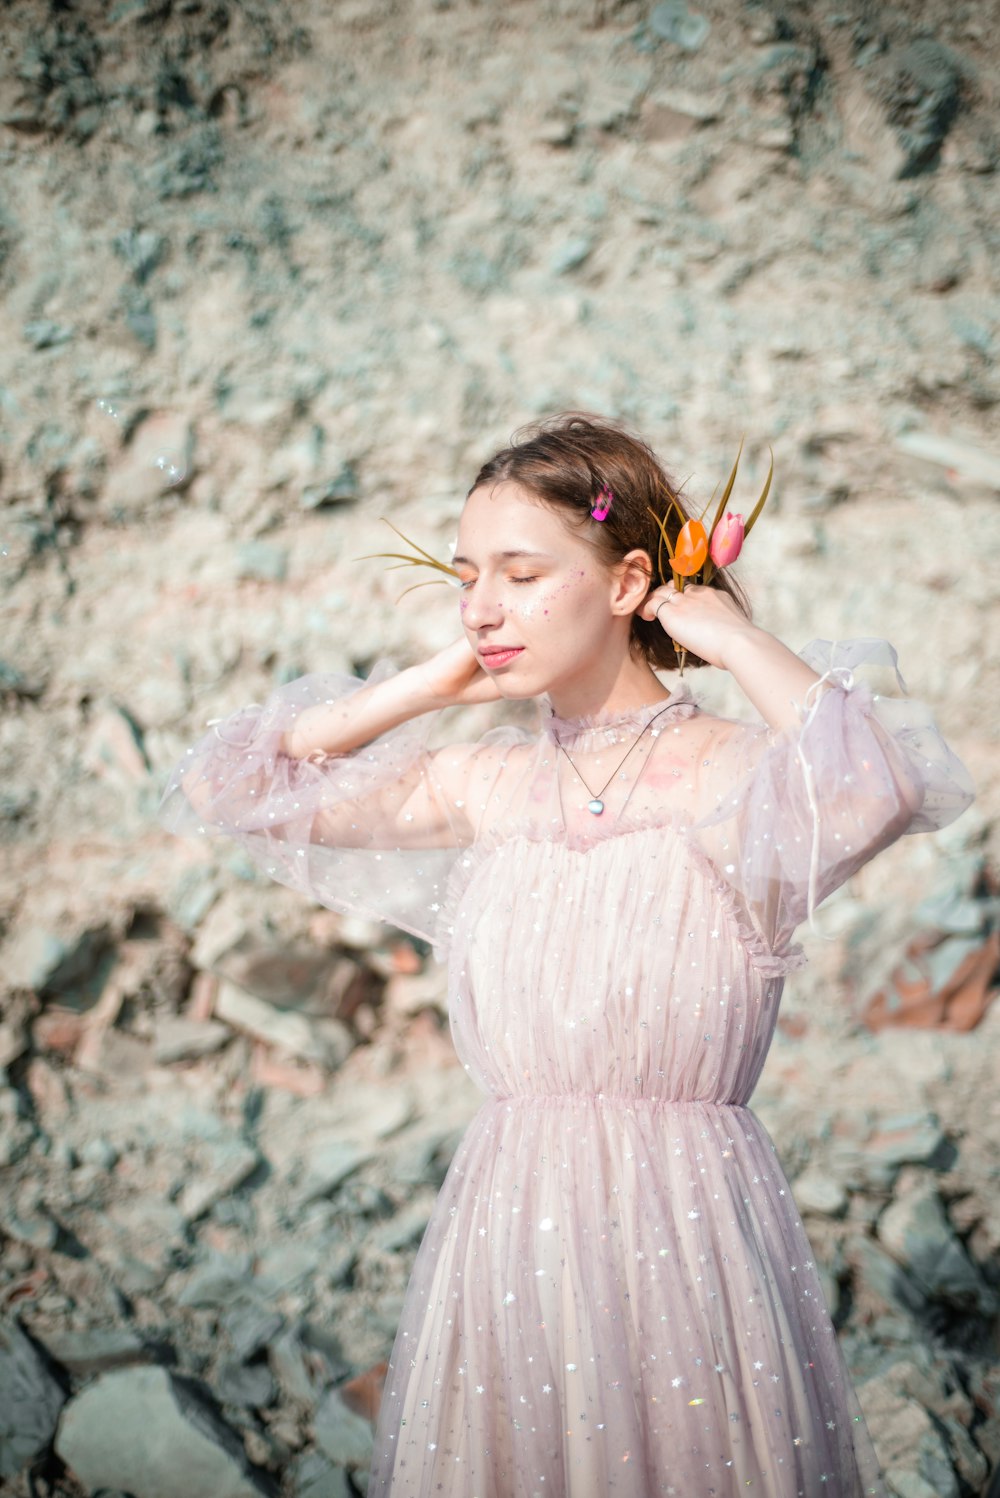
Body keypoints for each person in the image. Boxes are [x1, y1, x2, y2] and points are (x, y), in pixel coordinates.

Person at [158, 414, 974, 1497]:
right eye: (465, 577)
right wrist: (432, 683)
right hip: (510, 1223)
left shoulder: (732, 778)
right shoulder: (479, 782)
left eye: (521, 572)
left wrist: (726, 634)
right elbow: (234, 787)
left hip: (685, 1234)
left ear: (629, 580)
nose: (483, 605)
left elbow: (880, 786)